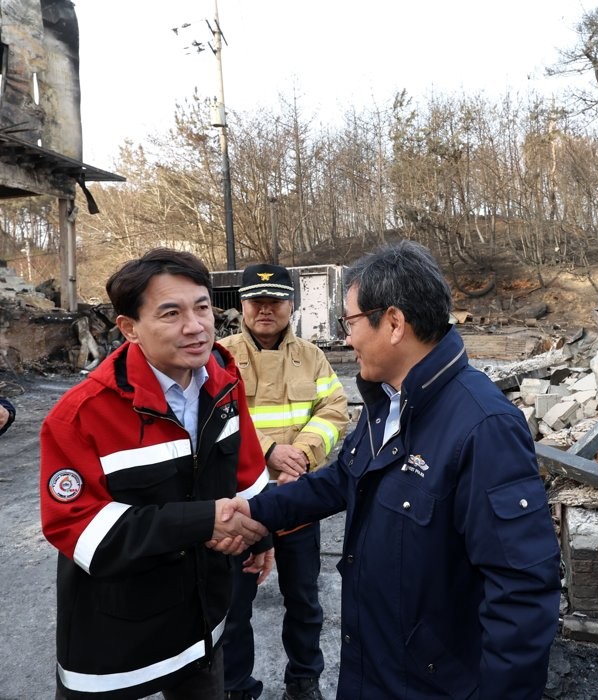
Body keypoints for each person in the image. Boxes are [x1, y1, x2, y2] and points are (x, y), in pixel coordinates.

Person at [219, 240, 561, 699]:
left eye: (351, 322)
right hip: (374, 667)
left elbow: (522, 596)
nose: (346, 338)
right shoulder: (390, 402)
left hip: (429, 682)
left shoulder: (483, 427)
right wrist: (257, 510)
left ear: (395, 323)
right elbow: (342, 479)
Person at [39, 248, 271, 700]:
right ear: (129, 328)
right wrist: (204, 521)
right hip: (116, 640)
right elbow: (79, 529)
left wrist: (261, 535)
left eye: (202, 307)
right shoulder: (82, 415)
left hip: (203, 622)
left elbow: (246, 472)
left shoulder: (223, 381)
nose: (196, 325)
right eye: (171, 313)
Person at [220, 264, 349, 700]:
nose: (265, 309)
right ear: (242, 305)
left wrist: (305, 453)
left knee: (304, 600)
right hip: (239, 503)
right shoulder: (219, 356)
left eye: (275, 300)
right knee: (233, 607)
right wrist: (268, 451)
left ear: (291, 305)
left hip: (296, 497)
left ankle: (304, 680)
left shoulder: (312, 356)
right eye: (256, 301)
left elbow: (334, 409)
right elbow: (210, 421)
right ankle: (237, 688)